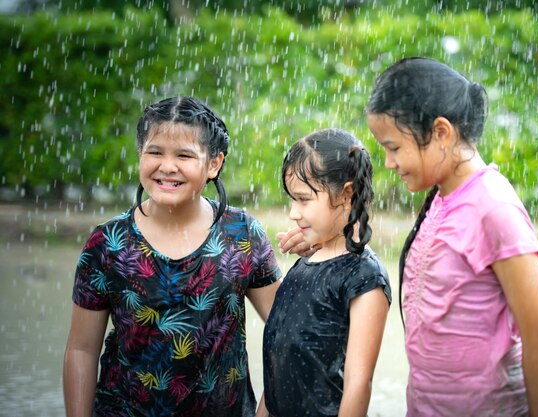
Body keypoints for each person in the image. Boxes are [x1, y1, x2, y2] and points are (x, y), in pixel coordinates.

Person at [366, 57, 538, 416]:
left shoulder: (494, 209)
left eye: (394, 148)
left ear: (441, 132)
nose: (389, 163)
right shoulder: (441, 197)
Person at [63, 96, 282, 417]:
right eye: (154, 152)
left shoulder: (242, 234)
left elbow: (286, 331)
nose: (167, 166)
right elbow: (81, 349)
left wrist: (266, 411)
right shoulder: (108, 243)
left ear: (214, 164)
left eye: (183, 155)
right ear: (140, 154)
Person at [259, 129, 392, 417]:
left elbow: (358, 385)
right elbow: (277, 364)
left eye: (304, 199)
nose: (293, 212)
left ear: (347, 194)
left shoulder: (364, 278)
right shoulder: (304, 263)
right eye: (291, 199)